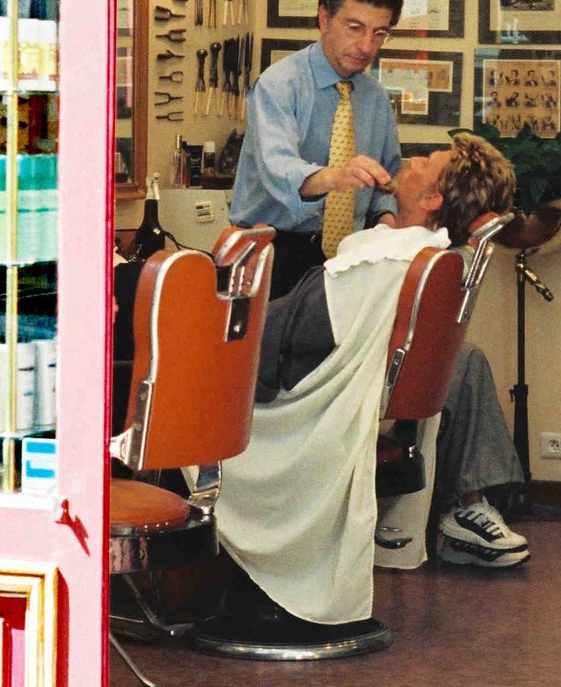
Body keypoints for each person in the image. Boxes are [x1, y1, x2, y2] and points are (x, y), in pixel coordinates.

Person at [214, 132, 523, 630]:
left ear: (432, 199)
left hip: (293, 401)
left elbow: (282, 339)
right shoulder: (429, 257)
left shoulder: (379, 260)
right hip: (349, 394)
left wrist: (205, 320)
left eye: (426, 160)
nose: (411, 158)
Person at [232, 0, 404, 300]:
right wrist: (338, 177)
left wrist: (386, 221)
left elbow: (387, 178)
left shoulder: (376, 98)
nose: (366, 46)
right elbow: (279, 171)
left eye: (379, 33)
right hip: (274, 252)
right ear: (324, 19)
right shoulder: (279, 85)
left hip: (350, 256)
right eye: (355, 28)